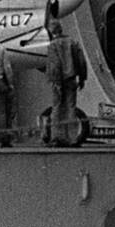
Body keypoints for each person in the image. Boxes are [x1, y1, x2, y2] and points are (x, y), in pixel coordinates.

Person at [45, 18, 88, 146]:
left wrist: (56, 81)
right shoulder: (73, 42)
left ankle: (57, 137)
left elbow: (55, 65)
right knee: (71, 108)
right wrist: (82, 78)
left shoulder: (53, 45)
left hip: (58, 80)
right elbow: (81, 62)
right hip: (71, 79)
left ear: (52, 31)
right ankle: (72, 138)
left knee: (57, 108)